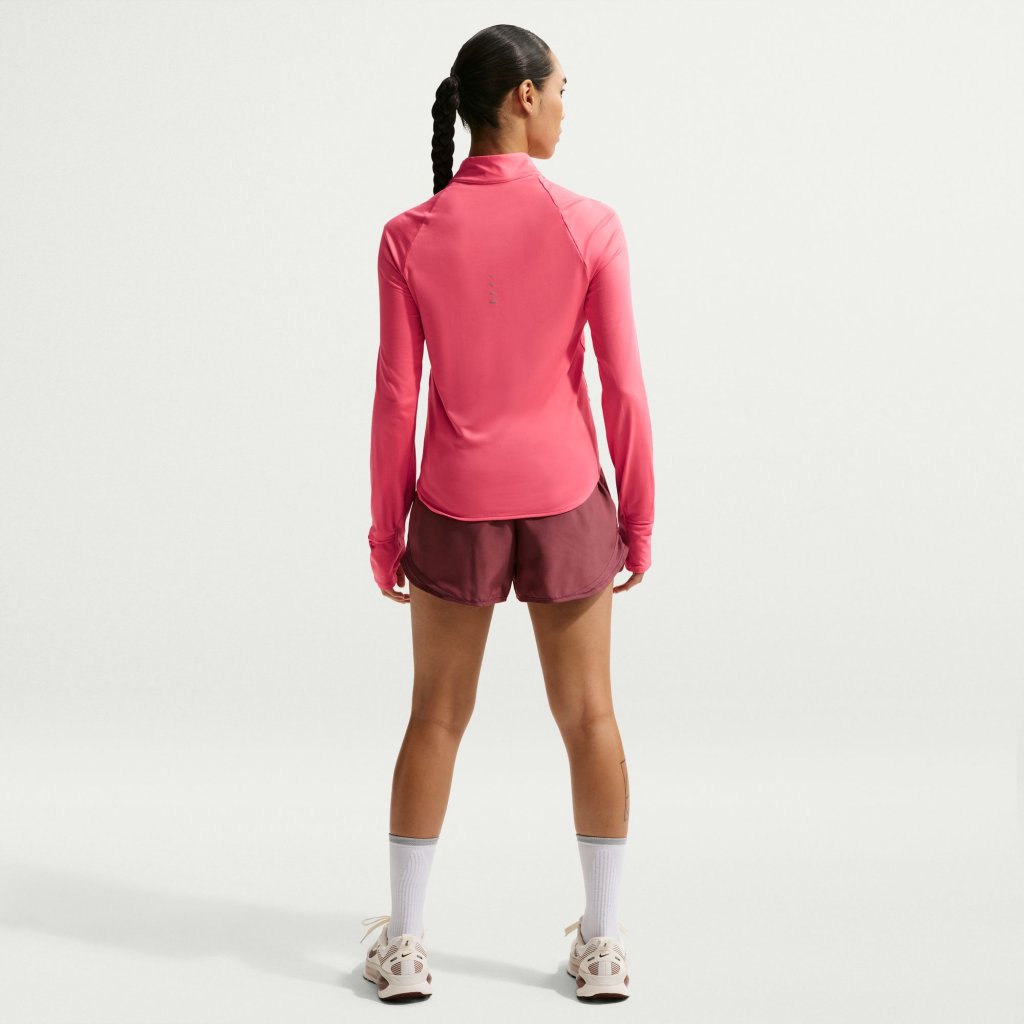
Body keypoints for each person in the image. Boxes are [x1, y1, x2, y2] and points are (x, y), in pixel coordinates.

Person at [361, 23, 654, 1002]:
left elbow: (396, 398)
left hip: (453, 503)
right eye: (561, 89)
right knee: (591, 716)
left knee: (435, 717)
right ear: (523, 97)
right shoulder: (589, 223)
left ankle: (406, 945)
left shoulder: (409, 234)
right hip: (567, 497)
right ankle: (603, 945)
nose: (566, 108)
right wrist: (639, 516)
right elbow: (623, 388)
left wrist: (385, 531)